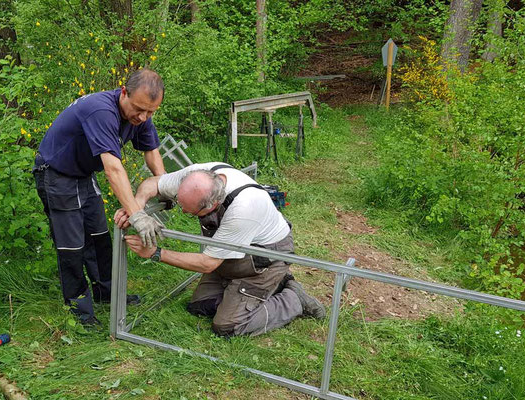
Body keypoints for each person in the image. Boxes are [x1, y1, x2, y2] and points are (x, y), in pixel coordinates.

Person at [116, 162, 326, 337]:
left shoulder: (243, 209)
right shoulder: (195, 178)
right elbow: (152, 184)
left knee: (227, 326)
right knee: (199, 306)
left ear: (212, 204)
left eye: (189, 212)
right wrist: (137, 209)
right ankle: (250, 289)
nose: (183, 211)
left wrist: (155, 253)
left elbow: (208, 263)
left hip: (263, 258)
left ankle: (293, 299)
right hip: (232, 255)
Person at [33, 69, 167, 326]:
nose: (143, 117)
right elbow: (113, 168)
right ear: (124, 92)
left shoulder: (141, 115)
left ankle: (108, 293)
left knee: (99, 237)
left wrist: (166, 187)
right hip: (57, 173)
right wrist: (137, 214)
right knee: (72, 245)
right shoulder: (101, 110)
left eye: (151, 112)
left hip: (83, 174)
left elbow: (152, 154)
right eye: (139, 109)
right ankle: (78, 310)